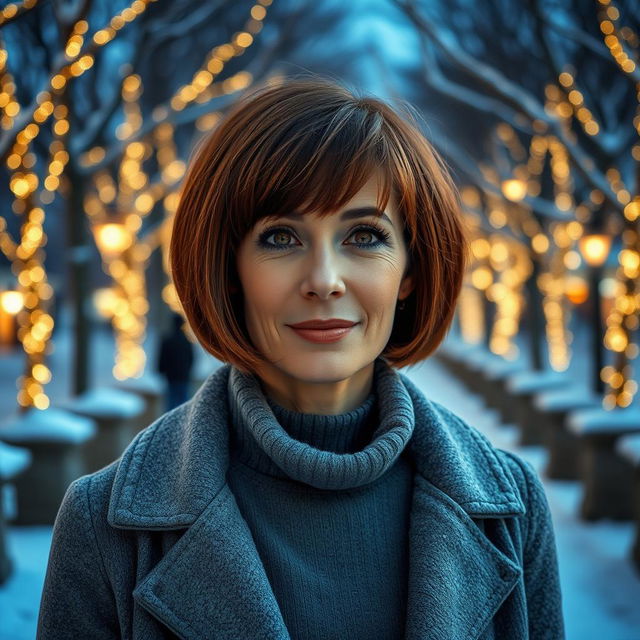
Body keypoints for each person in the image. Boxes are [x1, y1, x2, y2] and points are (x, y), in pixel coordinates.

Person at [37, 77, 565, 639]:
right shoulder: (102, 526)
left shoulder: (513, 508)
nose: (324, 281)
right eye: (281, 237)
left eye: (363, 236)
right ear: (229, 267)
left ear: (409, 270)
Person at [157, 311, 195, 412]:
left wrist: (161, 370)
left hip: (171, 378)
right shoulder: (186, 341)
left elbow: (162, 358)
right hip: (183, 377)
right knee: (184, 406)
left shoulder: (168, 340)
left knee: (170, 406)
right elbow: (191, 359)